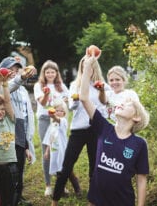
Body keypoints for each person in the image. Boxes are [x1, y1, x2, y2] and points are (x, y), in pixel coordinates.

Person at [79, 53, 150, 206]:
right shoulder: (104, 128)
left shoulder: (139, 144)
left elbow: (141, 178)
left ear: (136, 117)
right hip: (96, 200)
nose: (121, 104)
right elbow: (84, 98)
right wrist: (86, 69)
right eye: (120, 103)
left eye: (127, 104)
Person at [51, 55, 109, 204]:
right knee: (66, 166)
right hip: (78, 129)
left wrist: (102, 91)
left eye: (89, 65)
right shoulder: (74, 85)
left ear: (94, 67)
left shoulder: (101, 85)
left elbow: (104, 104)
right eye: (83, 65)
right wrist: (76, 100)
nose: (86, 67)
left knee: (94, 167)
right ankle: (54, 200)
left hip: (96, 130)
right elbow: (71, 107)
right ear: (81, 67)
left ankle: (93, 200)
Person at [0, 56, 37, 205]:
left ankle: (16, 200)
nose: (14, 72)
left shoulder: (23, 90)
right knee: (7, 178)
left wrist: (27, 144)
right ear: (2, 72)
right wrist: (21, 77)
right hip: (7, 138)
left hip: (20, 136)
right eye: (10, 69)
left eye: (16, 69)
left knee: (18, 175)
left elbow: (26, 117)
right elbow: (10, 86)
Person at [33, 60, 69, 196]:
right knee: (46, 151)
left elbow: (68, 101)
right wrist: (47, 94)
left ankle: (61, 184)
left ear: (56, 73)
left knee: (60, 150)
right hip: (44, 119)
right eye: (47, 72)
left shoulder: (61, 86)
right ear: (44, 73)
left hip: (58, 120)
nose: (50, 74)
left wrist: (66, 101)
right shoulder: (39, 86)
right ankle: (48, 185)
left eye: (52, 72)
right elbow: (42, 103)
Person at [0, 68, 18, 206]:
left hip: (9, 164)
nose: (0, 112)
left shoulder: (10, 120)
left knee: (9, 196)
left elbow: (7, 102)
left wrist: (6, 85)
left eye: (2, 110)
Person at [42, 99, 81, 197]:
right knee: (58, 172)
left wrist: (53, 116)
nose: (59, 112)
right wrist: (47, 151)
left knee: (68, 170)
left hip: (63, 151)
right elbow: (49, 139)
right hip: (54, 153)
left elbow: (58, 120)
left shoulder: (63, 122)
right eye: (57, 110)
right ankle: (62, 190)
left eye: (61, 110)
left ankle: (77, 188)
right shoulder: (51, 126)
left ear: (64, 113)